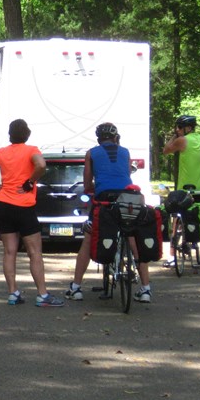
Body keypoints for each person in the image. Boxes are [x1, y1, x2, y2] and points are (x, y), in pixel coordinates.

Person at [0, 119, 65, 307]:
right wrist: (30, 182)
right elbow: (41, 165)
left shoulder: (3, 152)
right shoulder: (31, 150)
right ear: (27, 133)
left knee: (9, 251)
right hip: (24, 206)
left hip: (4, 205)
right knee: (34, 252)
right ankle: (42, 295)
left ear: (10, 135)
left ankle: (13, 293)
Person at [66, 123, 153, 303]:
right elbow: (127, 174)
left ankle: (76, 288)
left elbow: (88, 183)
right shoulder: (126, 152)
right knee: (132, 239)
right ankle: (145, 290)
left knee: (89, 240)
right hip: (127, 198)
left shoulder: (91, 153)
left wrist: (94, 188)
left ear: (98, 138)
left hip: (103, 199)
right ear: (115, 137)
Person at [163, 115, 200, 269]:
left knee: (177, 219)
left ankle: (171, 258)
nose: (177, 130)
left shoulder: (182, 140)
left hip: (186, 190)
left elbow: (165, 150)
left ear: (187, 128)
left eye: (179, 127)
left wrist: (174, 136)